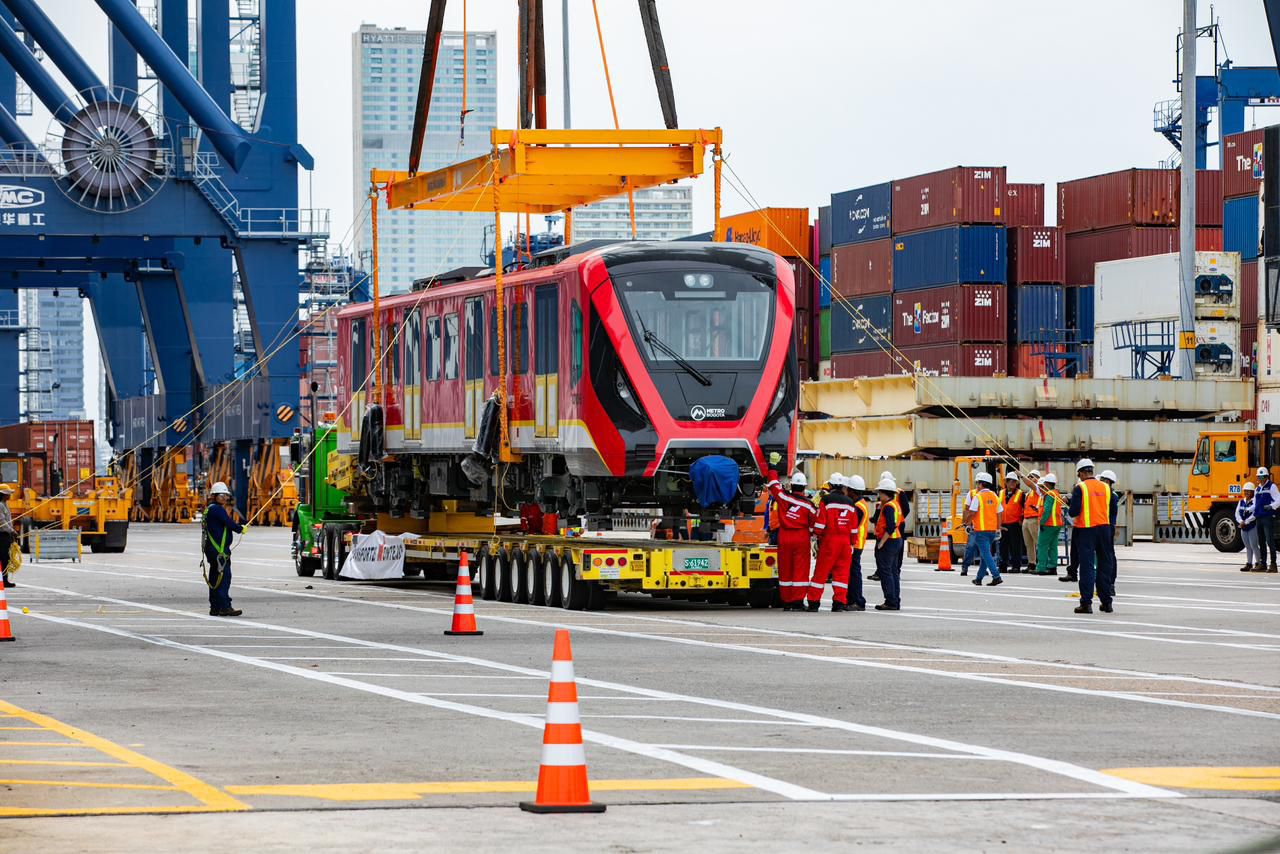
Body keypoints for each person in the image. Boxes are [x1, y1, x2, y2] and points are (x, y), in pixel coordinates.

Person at [767, 470, 817, 611]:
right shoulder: (809, 505)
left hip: (784, 536)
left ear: (792, 485)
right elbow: (815, 525)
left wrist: (772, 468)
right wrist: (815, 538)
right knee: (800, 570)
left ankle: (787, 602)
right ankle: (797, 602)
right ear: (804, 487)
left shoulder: (783, 497)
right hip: (801, 537)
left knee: (785, 569)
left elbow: (773, 484)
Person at [1067, 458, 1113, 614]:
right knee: (1105, 565)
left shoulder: (1080, 487)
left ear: (1080, 473)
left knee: (1087, 567)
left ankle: (1086, 603)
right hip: (1104, 529)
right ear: (1092, 471)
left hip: (1086, 530)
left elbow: (1073, 512)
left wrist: (1070, 502)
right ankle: (1106, 602)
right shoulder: (1106, 488)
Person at [810, 474, 857, 612]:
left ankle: (814, 602)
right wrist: (852, 543)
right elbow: (854, 528)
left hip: (830, 541)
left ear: (830, 486)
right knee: (841, 575)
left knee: (821, 572)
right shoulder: (850, 502)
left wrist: (814, 536)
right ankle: (839, 603)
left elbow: (820, 523)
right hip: (845, 543)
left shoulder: (826, 500)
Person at [204, 481, 245, 617]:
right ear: (214, 496)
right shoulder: (216, 509)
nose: (224, 498)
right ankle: (224, 607)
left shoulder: (210, 509)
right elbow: (229, 523)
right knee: (224, 577)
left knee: (215, 578)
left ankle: (215, 607)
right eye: (221, 495)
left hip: (212, 550)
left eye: (226, 495)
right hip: (219, 551)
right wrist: (240, 528)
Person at [965, 472, 1003, 587]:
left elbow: (972, 512)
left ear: (981, 484)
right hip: (991, 531)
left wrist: (967, 524)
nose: (977, 486)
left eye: (977, 483)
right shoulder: (994, 496)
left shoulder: (978, 497)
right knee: (984, 555)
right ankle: (979, 578)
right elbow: (999, 512)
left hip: (981, 531)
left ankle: (996, 576)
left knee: (986, 554)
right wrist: (998, 527)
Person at [873, 478, 905, 610]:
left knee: (885, 572)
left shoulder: (888, 507)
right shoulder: (894, 504)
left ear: (885, 493)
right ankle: (894, 600)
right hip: (897, 540)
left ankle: (890, 600)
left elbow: (890, 526)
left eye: (880, 493)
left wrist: (881, 542)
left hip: (889, 542)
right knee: (893, 572)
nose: (879, 496)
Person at [845, 475, 870, 612]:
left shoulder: (858, 507)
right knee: (853, 572)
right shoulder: (861, 504)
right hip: (856, 544)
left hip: (855, 544)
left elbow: (852, 525)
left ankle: (858, 601)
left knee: (854, 573)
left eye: (849, 490)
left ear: (853, 491)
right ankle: (852, 599)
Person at [1035, 472, 1065, 575]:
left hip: (1048, 524)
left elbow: (1047, 510)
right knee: (1053, 546)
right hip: (1057, 524)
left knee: (1042, 545)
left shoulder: (1049, 495)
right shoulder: (1056, 494)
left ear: (1047, 484)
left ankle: (1041, 568)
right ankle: (1052, 567)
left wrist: (1042, 523)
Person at [1098, 470, 1121, 596]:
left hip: (1107, 527)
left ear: (1108, 482)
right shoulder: (1109, 494)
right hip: (1103, 526)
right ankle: (1106, 583)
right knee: (1106, 555)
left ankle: (1110, 584)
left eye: (1102, 480)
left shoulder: (1111, 496)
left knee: (1109, 556)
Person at [1253, 467, 1280, 573]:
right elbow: (1255, 504)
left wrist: (1271, 506)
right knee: (1261, 542)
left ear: (1266, 477)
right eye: (1258, 477)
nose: (1259, 478)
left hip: (1268, 517)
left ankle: (1273, 564)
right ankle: (1263, 564)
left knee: (1269, 541)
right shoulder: (1257, 489)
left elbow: (1279, 499)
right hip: (1259, 518)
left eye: (1261, 477)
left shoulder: (1272, 486)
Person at [997, 472, 1025, 574]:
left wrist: (1022, 519)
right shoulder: (1000, 493)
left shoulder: (1021, 494)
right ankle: (1003, 566)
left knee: (1016, 546)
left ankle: (1016, 566)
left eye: (1014, 482)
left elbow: (1024, 508)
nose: (1013, 483)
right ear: (1006, 482)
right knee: (1003, 546)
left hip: (1015, 524)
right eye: (1011, 481)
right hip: (1003, 524)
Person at [1021, 470, 1042, 574]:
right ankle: (1031, 563)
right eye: (1029, 476)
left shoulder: (1038, 489)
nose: (1030, 478)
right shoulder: (1029, 492)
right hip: (1027, 518)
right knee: (1028, 543)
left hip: (1034, 518)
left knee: (1038, 542)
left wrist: (1021, 476)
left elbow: (1030, 484)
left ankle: (1042, 562)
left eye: (1032, 476)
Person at [1237, 482, 1259, 572]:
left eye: (1248, 491)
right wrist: (1240, 521)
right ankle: (1249, 563)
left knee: (1254, 545)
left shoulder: (1255, 502)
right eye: (1245, 491)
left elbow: (1254, 514)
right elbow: (1237, 513)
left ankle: (1258, 563)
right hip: (1243, 527)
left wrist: (1246, 522)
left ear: (1252, 492)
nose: (1246, 493)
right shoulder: (1241, 502)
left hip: (1252, 526)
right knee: (1247, 546)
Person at [0, 485, 15, 589]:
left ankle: (5, 580)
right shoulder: (0, 505)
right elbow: (2, 521)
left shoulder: (5, 504)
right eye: (8, 493)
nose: (10, 495)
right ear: (3, 494)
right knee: (3, 558)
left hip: (6, 535)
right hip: (1, 536)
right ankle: (3, 581)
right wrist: (11, 530)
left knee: (6, 558)